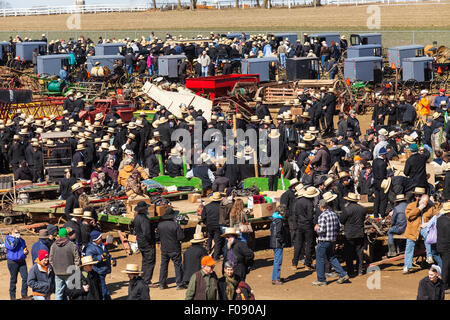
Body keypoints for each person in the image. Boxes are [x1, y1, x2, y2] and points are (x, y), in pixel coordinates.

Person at [313, 199, 349, 286]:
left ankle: (321, 279)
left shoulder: (322, 216)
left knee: (320, 259)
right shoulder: (333, 214)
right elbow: (339, 227)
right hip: (332, 240)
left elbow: (321, 230)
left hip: (324, 240)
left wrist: (316, 228)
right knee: (332, 257)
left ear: (321, 207)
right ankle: (343, 274)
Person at [403, 190, 437, 274]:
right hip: (413, 229)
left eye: (426, 202)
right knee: (409, 246)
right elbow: (409, 216)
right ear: (418, 199)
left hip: (424, 228)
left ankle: (429, 256)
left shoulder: (430, 207)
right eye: (424, 202)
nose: (425, 204)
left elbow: (437, 216)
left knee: (428, 234)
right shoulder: (411, 206)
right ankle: (407, 266)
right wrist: (419, 209)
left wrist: (428, 223)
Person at [156, 208, 185, 290]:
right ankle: (179, 284)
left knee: (163, 266)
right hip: (175, 248)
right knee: (178, 266)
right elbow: (181, 237)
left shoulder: (160, 225)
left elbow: (157, 237)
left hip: (164, 249)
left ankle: (162, 284)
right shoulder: (175, 225)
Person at [339, 192, 367, 276]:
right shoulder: (362, 209)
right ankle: (360, 270)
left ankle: (350, 271)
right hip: (360, 232)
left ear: (349, 200)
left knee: (349, 253)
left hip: (349, 234)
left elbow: (341, 220)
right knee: (360, 252)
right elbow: (363, 219)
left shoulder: (347, 209)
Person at [49, 227, 80, 300]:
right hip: (70, 272)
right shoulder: (72, 245)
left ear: (59, 235)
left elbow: (50, 260)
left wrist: (55, 268)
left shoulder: (53, 245)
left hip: (58, 273)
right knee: (72, 292)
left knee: (58, 293)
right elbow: (77, 259)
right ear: (67, 235)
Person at [132, 201, 157, 287]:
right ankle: (147, 280)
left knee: (145, 261)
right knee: (150, 261)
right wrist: (151, 242)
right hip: (147, 243)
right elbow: (147, 233)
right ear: (143, 209)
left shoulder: (137, 218)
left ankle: (143, 278)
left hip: (141, 242)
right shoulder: (144, 219)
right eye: (146, 208)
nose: (147, 209)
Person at [85, 231, 112, 300]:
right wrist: (100, 257)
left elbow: (107, 254)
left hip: (104, 269)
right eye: (99, 238)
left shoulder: (102, 245)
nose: (101, 238)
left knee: (102, 287)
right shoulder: (90, 248)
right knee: (103, 288)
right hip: (98, 270)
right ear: (95, 239)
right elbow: (90, 259)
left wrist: (112, 259)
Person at [5, 228, 30, 300]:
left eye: (18, 232)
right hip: (13, 262)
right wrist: (16, 239)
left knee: (25, 278)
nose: (18, 234)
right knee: (13, 279)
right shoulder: (8, 239)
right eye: (16, 232)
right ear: (11, 233)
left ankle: (24, 295)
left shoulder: (22, 240)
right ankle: (12, 297)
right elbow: (12, 246)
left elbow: (24, 248)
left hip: (22, 260)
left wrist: (26, 251)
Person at [201, 192, 224, 260]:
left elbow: (203, 217)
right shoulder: (222, 207)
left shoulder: (207, 206)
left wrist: (207, 223)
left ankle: (207, 251)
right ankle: (216, 256)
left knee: (209, 238)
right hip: (218, 226)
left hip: (209, 225)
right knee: (217, 241)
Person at [270, 205, 289, 285]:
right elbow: (278, 233)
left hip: (274, 242)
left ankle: (275, 277)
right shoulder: (280, 221)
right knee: (278, 261)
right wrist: (282, 241)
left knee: (276, 261)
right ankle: (276, 279)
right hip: (278, 243)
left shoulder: (274, 219)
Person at [436, 201, 450, 292]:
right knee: (446, 267)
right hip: (447, 247)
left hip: (440, 245)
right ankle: (445, 286)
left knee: (445, 266)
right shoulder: (448, 222)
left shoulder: (440, 219)